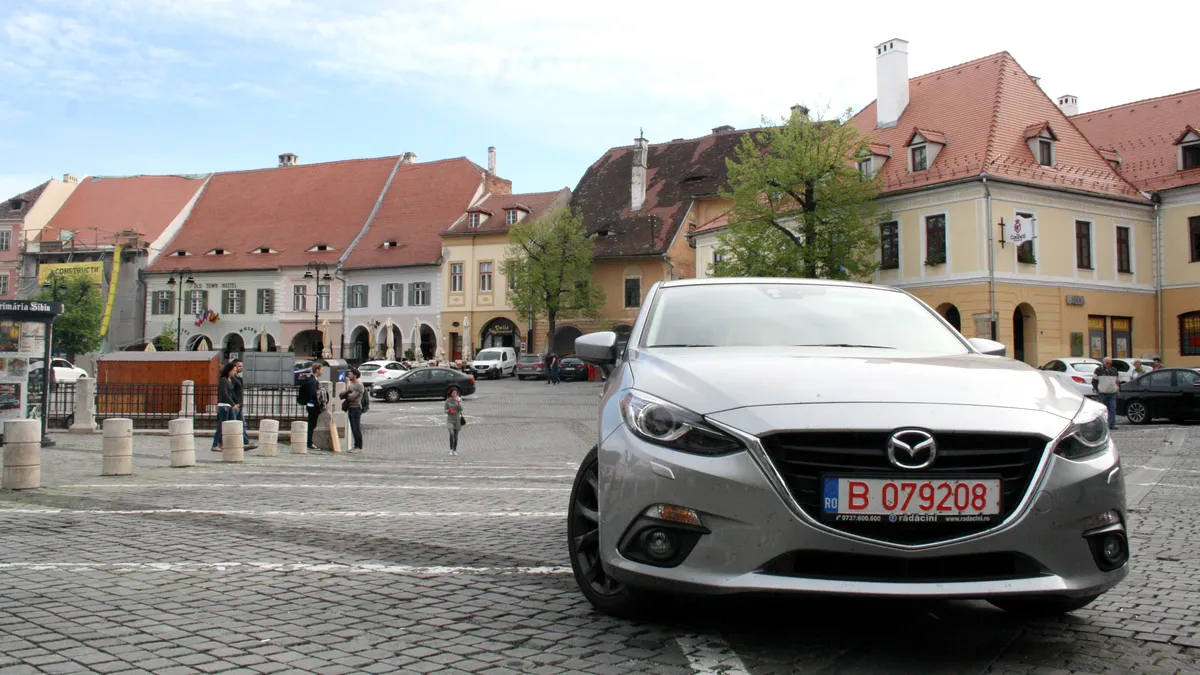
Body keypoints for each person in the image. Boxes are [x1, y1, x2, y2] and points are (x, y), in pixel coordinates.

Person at [231, 360, 257, 451]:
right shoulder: (232, 378)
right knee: (236, 424)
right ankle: (243, 442)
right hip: (235, 405)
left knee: (242, 424)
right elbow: (231, 392)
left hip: (239, 405)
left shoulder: (237, 377)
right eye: (239, 366)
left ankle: (245, 442)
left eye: (242, 366)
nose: (241, 368)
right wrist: (234, 403)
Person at [212, 361, 238, 452]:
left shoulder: (229, 380)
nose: (235, 372)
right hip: (224, 406)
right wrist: (233, 404)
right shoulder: (223, 380)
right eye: (234, 370)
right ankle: (215, 444)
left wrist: (236, 402)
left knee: (232, 424)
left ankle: (224, 443)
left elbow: (231, 393)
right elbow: (225, 394)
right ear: (229, 371)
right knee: (222, 426)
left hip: (229, 406)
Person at [299, 363, 325, 450]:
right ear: (317, 370)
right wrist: (316, 403)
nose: (322, 372)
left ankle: (309, 442)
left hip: (311, 405)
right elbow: (312, 394)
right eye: (321, 370)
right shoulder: (312, 381)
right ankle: (309, 443)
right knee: (311, 425)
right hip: (312, 406)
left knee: (312, 425)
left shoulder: (312, 380)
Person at [341, 369, 365, 453]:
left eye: (350, 374)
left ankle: (359, 447)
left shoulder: (358, 384)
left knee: (356, 428)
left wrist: (346, 394)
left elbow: (352, 397)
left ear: (355, 375)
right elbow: (347, 394)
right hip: (350, 408)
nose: (349, 376)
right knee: (353, 428)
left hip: (356, 408)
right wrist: (347, 392)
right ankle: (355, 446)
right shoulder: (352, 384)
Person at [1092, 357, 1120, 430]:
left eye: (1110, 363)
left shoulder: (1114, 370)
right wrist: (1098, 389)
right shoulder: (1098, 370)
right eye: (1107, 363)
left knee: (1112, 409)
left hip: (1112, 392)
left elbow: (1117, 381)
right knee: (1103, 410)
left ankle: (1112, 424)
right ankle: (1103, 425)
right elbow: (1094, 381)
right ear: (1104, 363)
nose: (1109, 364)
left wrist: (1118, 390)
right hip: (1102, 393)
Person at [445, 386, 464, 456]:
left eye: (456, 393)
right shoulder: (448, 400)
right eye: (453, 393)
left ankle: (455, 450)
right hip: (450, 420)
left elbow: (461, 409)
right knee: (451, 434)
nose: (455, 394)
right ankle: (451, 449)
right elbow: (445, 410)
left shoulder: (459, 399)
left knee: (456, 436)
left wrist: (458, 403)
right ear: (451, 393)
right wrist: (449, 410)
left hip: (457, 420)